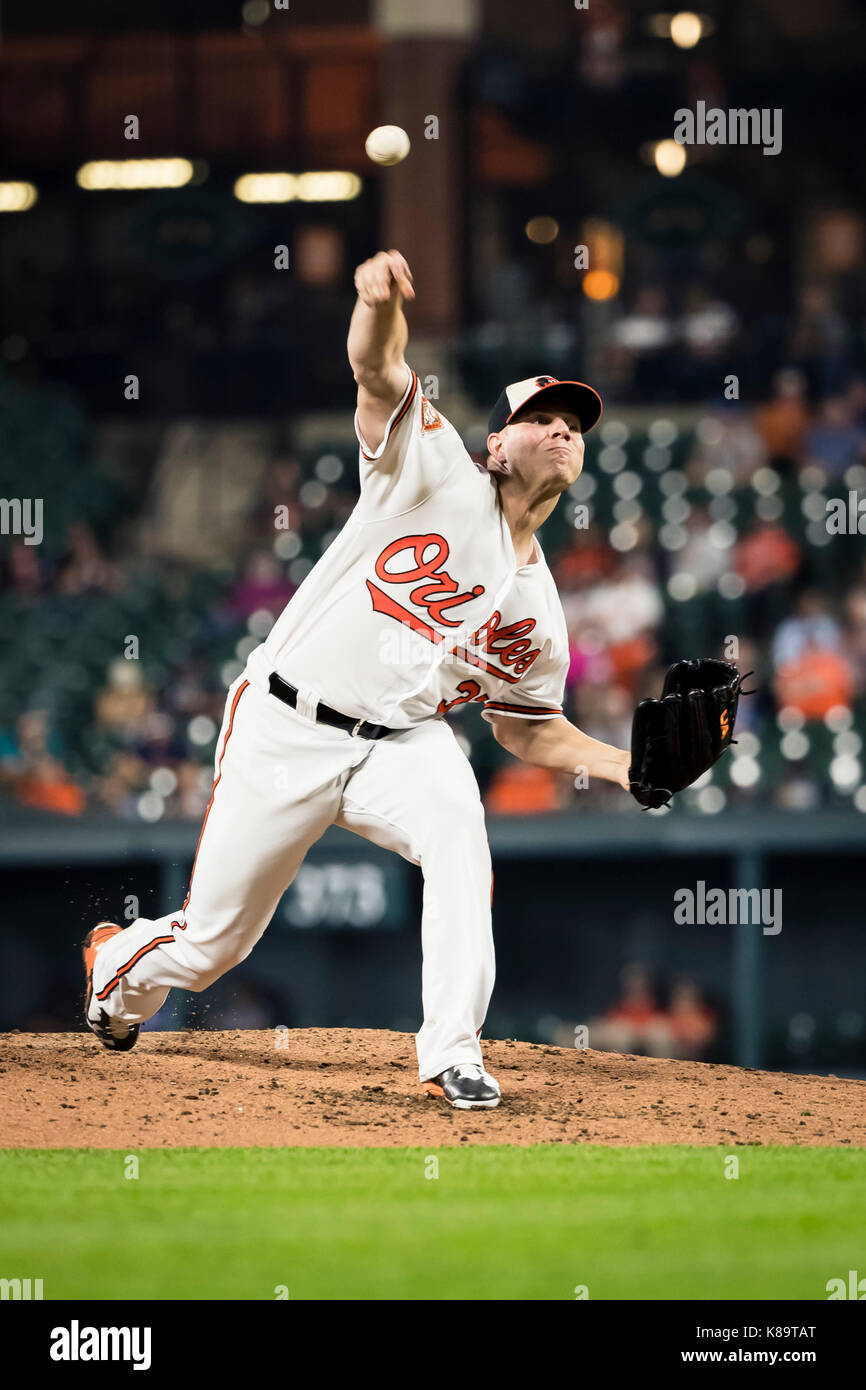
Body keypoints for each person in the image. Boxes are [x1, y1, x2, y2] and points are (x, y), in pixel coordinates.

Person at [83, 248, 632, 1111]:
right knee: (213, 947)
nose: (564, 430)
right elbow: (376, 371)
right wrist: (376, 301)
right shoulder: (437, 469)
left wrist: (627, 769)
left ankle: (453, 1051)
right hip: (287, 722)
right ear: (498, 442)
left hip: (402, 744)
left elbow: (529, 728)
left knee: (460, 838)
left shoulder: (540, 615)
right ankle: (116, 968)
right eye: (543, 418)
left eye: (576, 424)